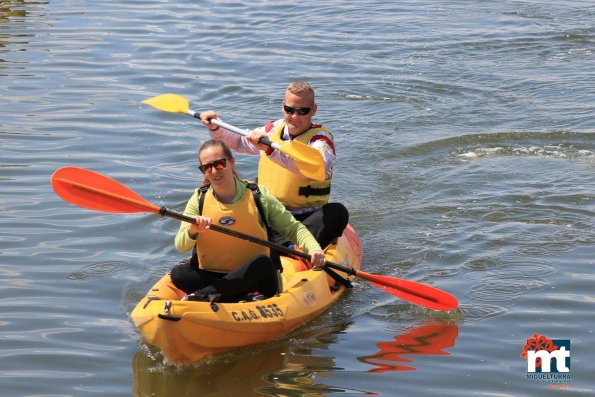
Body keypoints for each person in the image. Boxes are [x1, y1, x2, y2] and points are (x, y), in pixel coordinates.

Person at [170, 139, 326, 303]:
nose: (214, 171)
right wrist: (192, 230)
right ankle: (236, 296)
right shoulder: (199, 199)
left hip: (257, 278)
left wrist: (314, 249)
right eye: (207, 167)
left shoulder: (258, 195)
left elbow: (293, 228)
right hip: (216, 275)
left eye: (220, 164)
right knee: (179, 274)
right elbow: (181, 245)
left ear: (231, 162)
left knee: (262, 263)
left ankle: (206, 295)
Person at [199, 80, 348, 249]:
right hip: (269, 214)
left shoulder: (321, 141)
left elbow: (312, 170)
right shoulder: (273, 129)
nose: (294, 116)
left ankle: (295, 248)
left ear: (313, 110)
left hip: (305, 217)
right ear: (283, 106)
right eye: (289, 110)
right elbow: (240, 142)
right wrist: (216, 127)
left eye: (302, 111)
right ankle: (271, 244)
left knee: (337, 213)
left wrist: (270, 151)